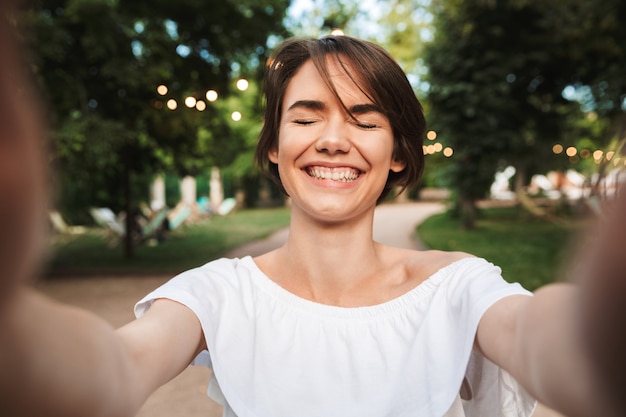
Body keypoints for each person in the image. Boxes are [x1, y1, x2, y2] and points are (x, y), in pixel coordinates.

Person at [1, 2, 625, 415]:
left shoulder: (457, 287)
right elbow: (114, 367)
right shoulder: (216, 292)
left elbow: (552, 343)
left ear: (399, 152)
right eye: (306, 117)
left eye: (363, 119)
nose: (332, 138)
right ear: (275, 146)